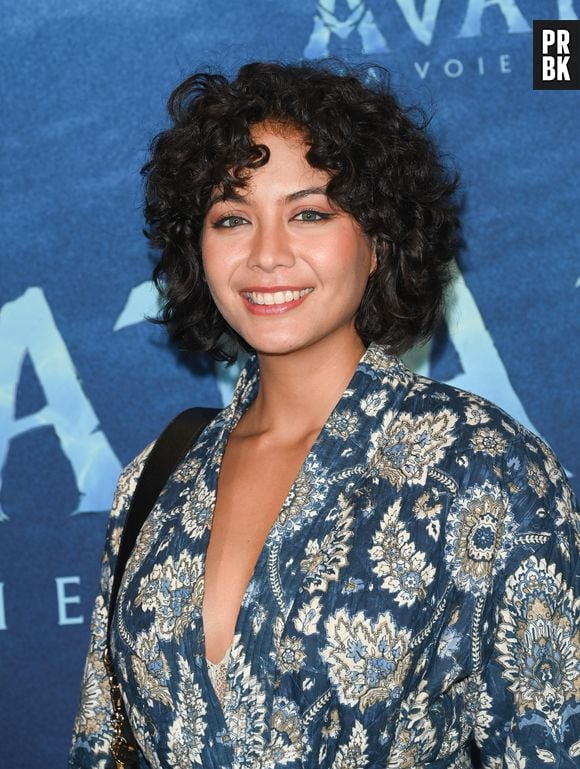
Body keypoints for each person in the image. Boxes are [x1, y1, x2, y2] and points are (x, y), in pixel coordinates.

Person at [69, 61, 579, 769]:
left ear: (380, 240)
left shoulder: (486, 468)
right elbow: (102, 743)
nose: (267, 254)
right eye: (231, 218)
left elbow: (553, 741)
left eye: (309, 212)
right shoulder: (155, 480)